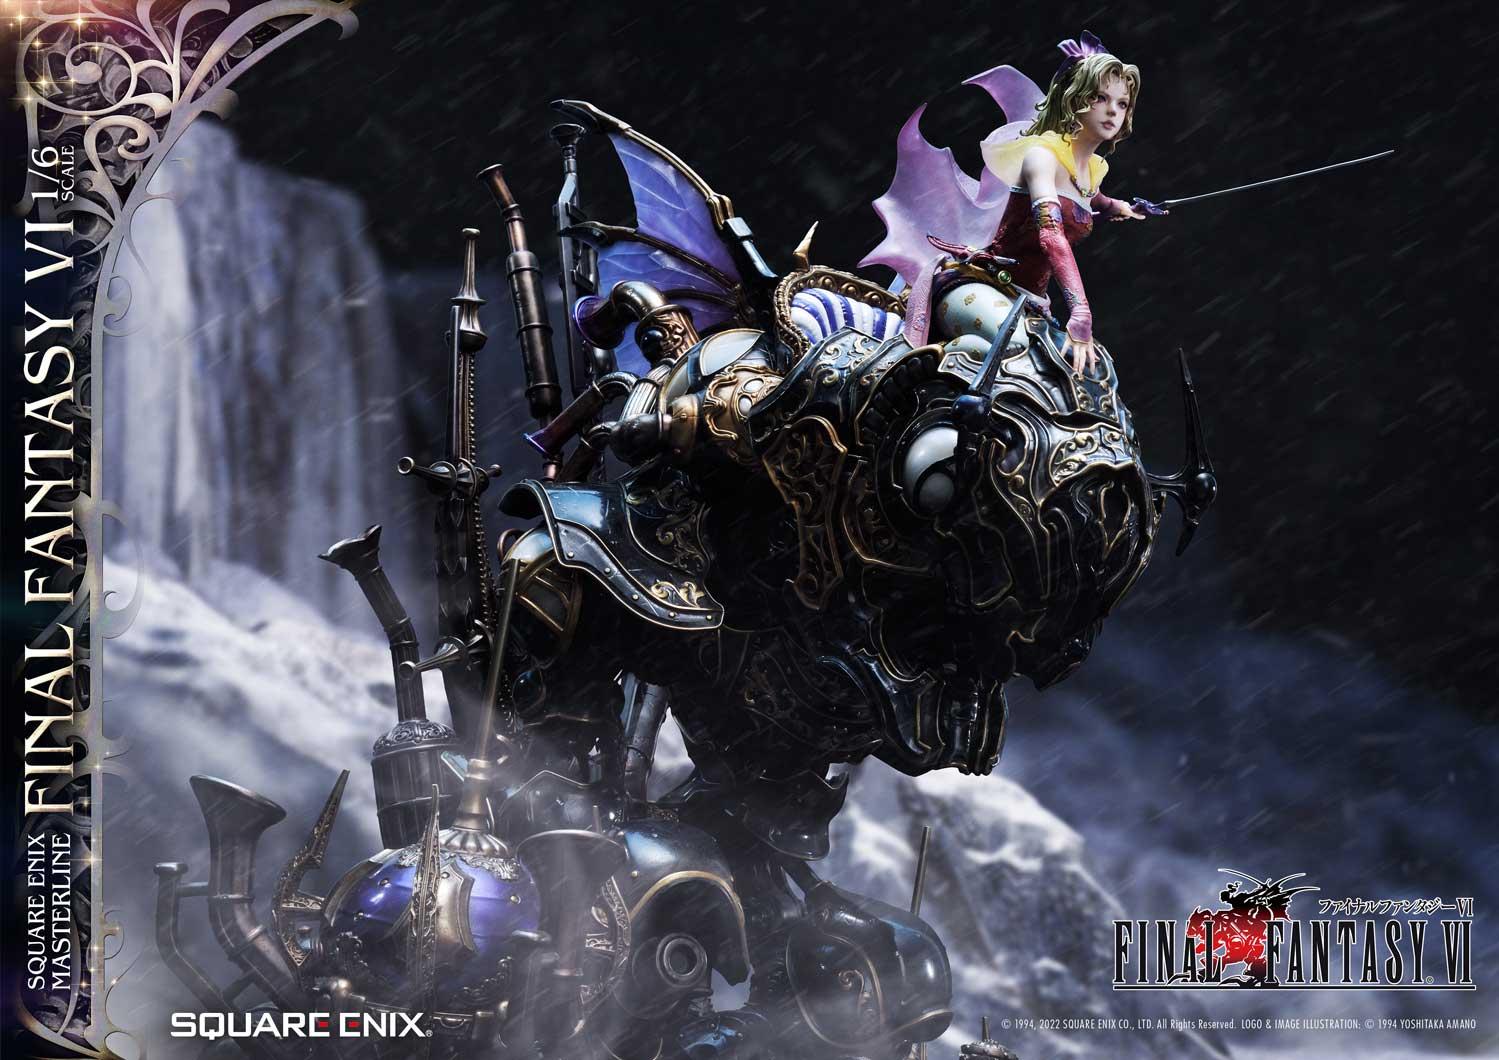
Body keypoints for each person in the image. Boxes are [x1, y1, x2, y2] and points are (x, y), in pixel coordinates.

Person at [974, 32, 1164, 374]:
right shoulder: (1042, 157)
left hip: (1032, 304)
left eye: (1122, 104)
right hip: (987, 287)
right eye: (1100, 97)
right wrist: (1081, 312)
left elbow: (1095, 200)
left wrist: (1126, 208)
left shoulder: (1091, 171)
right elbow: (1051, 235)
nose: (1113, 110)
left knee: (1067, 372)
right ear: (1076, 98)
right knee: (1020, 355)